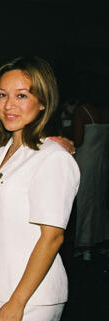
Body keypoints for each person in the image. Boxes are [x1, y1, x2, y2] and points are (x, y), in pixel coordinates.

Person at [0, 56, 80, 321]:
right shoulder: (3, 150)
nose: (9, 105)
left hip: (29, 297)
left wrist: (17, 302)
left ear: (43, 102)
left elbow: (52, 237)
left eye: (22, 95)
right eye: (2, 95)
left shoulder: (53, 158)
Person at [70, 74, 109, 260]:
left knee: (83, 203)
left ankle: (83, 245)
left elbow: (77, 140)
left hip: (85, 162)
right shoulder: (106, 111)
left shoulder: (82, 110)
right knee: (99, 202)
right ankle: (98, 241)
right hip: (102, 162)